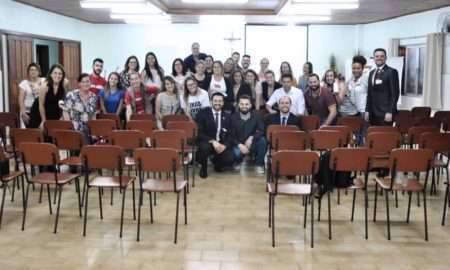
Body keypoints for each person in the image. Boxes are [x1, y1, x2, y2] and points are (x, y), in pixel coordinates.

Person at [196, 92, 235, 178]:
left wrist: (224, 145)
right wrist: (213, 141)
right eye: (215, 101)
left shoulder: (228, 116)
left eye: (220, 101)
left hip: (220, 143)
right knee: (204, 148)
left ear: (223, 103)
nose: (217, 103)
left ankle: (216, 161)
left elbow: (231, 135)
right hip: (207, 142)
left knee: (230, 158)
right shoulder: (203, 113)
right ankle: (204, 167)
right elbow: (199, 132)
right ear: (211, 102)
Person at [230, 95, 266, 174]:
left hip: (252, 144)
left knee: (262, 141)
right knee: (235, 153)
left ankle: (259, 165)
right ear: (238, 105)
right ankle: (238, 162)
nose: (244, 106)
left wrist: (252, 137)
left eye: (246, 104)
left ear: (250, 105)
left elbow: (261, 130)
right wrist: (239, 145)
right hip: (238, 145)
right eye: (242, 104)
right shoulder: (232, 118)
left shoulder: (257, 116)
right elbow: (231, 135)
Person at [365, 48, 400, 126]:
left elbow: (395, 94)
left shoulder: (391, 72)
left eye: (382, 56)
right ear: (373, 58)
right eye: (377, 56)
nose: (379, 58)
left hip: (385, 113)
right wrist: (367, 110)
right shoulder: (371, 73)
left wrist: (390, 111)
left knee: (384, 136)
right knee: (374, 135)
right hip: (373, 113)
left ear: (385, 58)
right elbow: (369, 93)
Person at [29, 64, 66, 128]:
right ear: (50, 74)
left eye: (60, 74)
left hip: (54, 110)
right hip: (40, 112)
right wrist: (44, 121)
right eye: (55, 73)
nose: (57, 75)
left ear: (63, 75)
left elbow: (62, 101)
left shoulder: (65, 83)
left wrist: (62, 116)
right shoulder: (45, 86)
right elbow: (41, 105)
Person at [63, 73, 97, 142]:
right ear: (79, 84)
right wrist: (69, 129)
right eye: (83, 82)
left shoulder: (93, 96)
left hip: (88, 130)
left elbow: (93, 115)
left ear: (90, 83)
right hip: (74, 129)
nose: (86, 84)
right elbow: (65, 111)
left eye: (87, 81)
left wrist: (94, 132)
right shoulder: (72, 95)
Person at [18, 63, 43, 127]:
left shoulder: (44, 81)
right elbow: (21, 100)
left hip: (42, 111)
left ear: (39, 72)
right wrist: (23, 112)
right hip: (29, 112)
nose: (33, 71)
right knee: (31, 132)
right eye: (31, 70)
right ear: (28, 72)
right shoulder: (24, 83)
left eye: (35, 70)